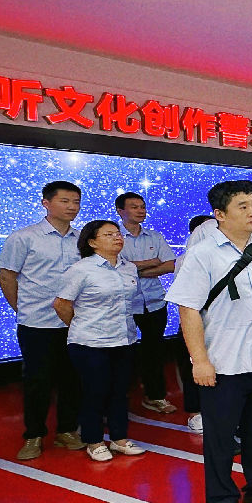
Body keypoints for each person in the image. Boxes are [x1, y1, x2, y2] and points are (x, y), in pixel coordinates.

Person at [165, 180, 252, 503]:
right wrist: (200, 360)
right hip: (223, 363)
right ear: (219, 214)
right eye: (243, 206)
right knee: (221, 436)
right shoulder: (203, 254)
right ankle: (222, 499)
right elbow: (188, 309)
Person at [0, 180, 85, 460]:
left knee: (72, 378)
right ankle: (34, 434)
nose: (72, 207)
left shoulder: (83, 239)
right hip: (37, 323)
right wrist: (21, 309)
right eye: (65, 201)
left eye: (76, 202)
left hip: (74, 323)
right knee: (38, 381)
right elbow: (7, 276)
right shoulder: (24, 237)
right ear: (46, 203)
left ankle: (66, 430)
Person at [53, 220, 145, 461]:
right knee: (95, 392)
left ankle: (119, 439)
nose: (117, 237)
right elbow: (61, 304)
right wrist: (81, 326)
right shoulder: (81, 269)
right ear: (92, 242)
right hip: (90, 342)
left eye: (118, 233)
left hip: (124, 339)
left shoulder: (128, 268)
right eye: (108, 234)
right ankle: (93, 441)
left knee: (120, 392)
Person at [115, 192, 177, 415]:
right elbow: (113, 268)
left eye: (142, 206)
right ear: (120, 211)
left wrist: (133, 268)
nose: (141, 210)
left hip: (154, 302)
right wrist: (151, 262)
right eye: (134, 207)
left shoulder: (154, 236)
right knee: (121, 354)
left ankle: (155, 396)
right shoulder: (112, 236)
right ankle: (119, 401)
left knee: (155, 352)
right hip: (124, 305)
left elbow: (169, 265)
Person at [173, 214, 214, 433]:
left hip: (220, 325)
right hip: (195, 321)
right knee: (193, 367)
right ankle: (195, 413)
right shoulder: (187, 259)